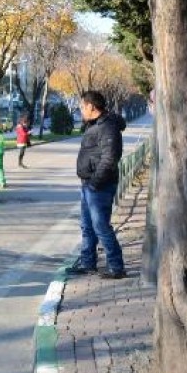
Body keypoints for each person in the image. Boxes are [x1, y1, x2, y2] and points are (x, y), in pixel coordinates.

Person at [67, 90, 127, 279]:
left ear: (91, 107)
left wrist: (94, 183)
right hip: (88, 184)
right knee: (87, 226)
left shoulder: (108, 126)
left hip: (100, 185)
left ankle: (116, 267)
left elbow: (110, 158)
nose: (80, 110)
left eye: (82, 107)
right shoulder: (94, 125)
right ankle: (88, 263)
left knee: (101, 225)